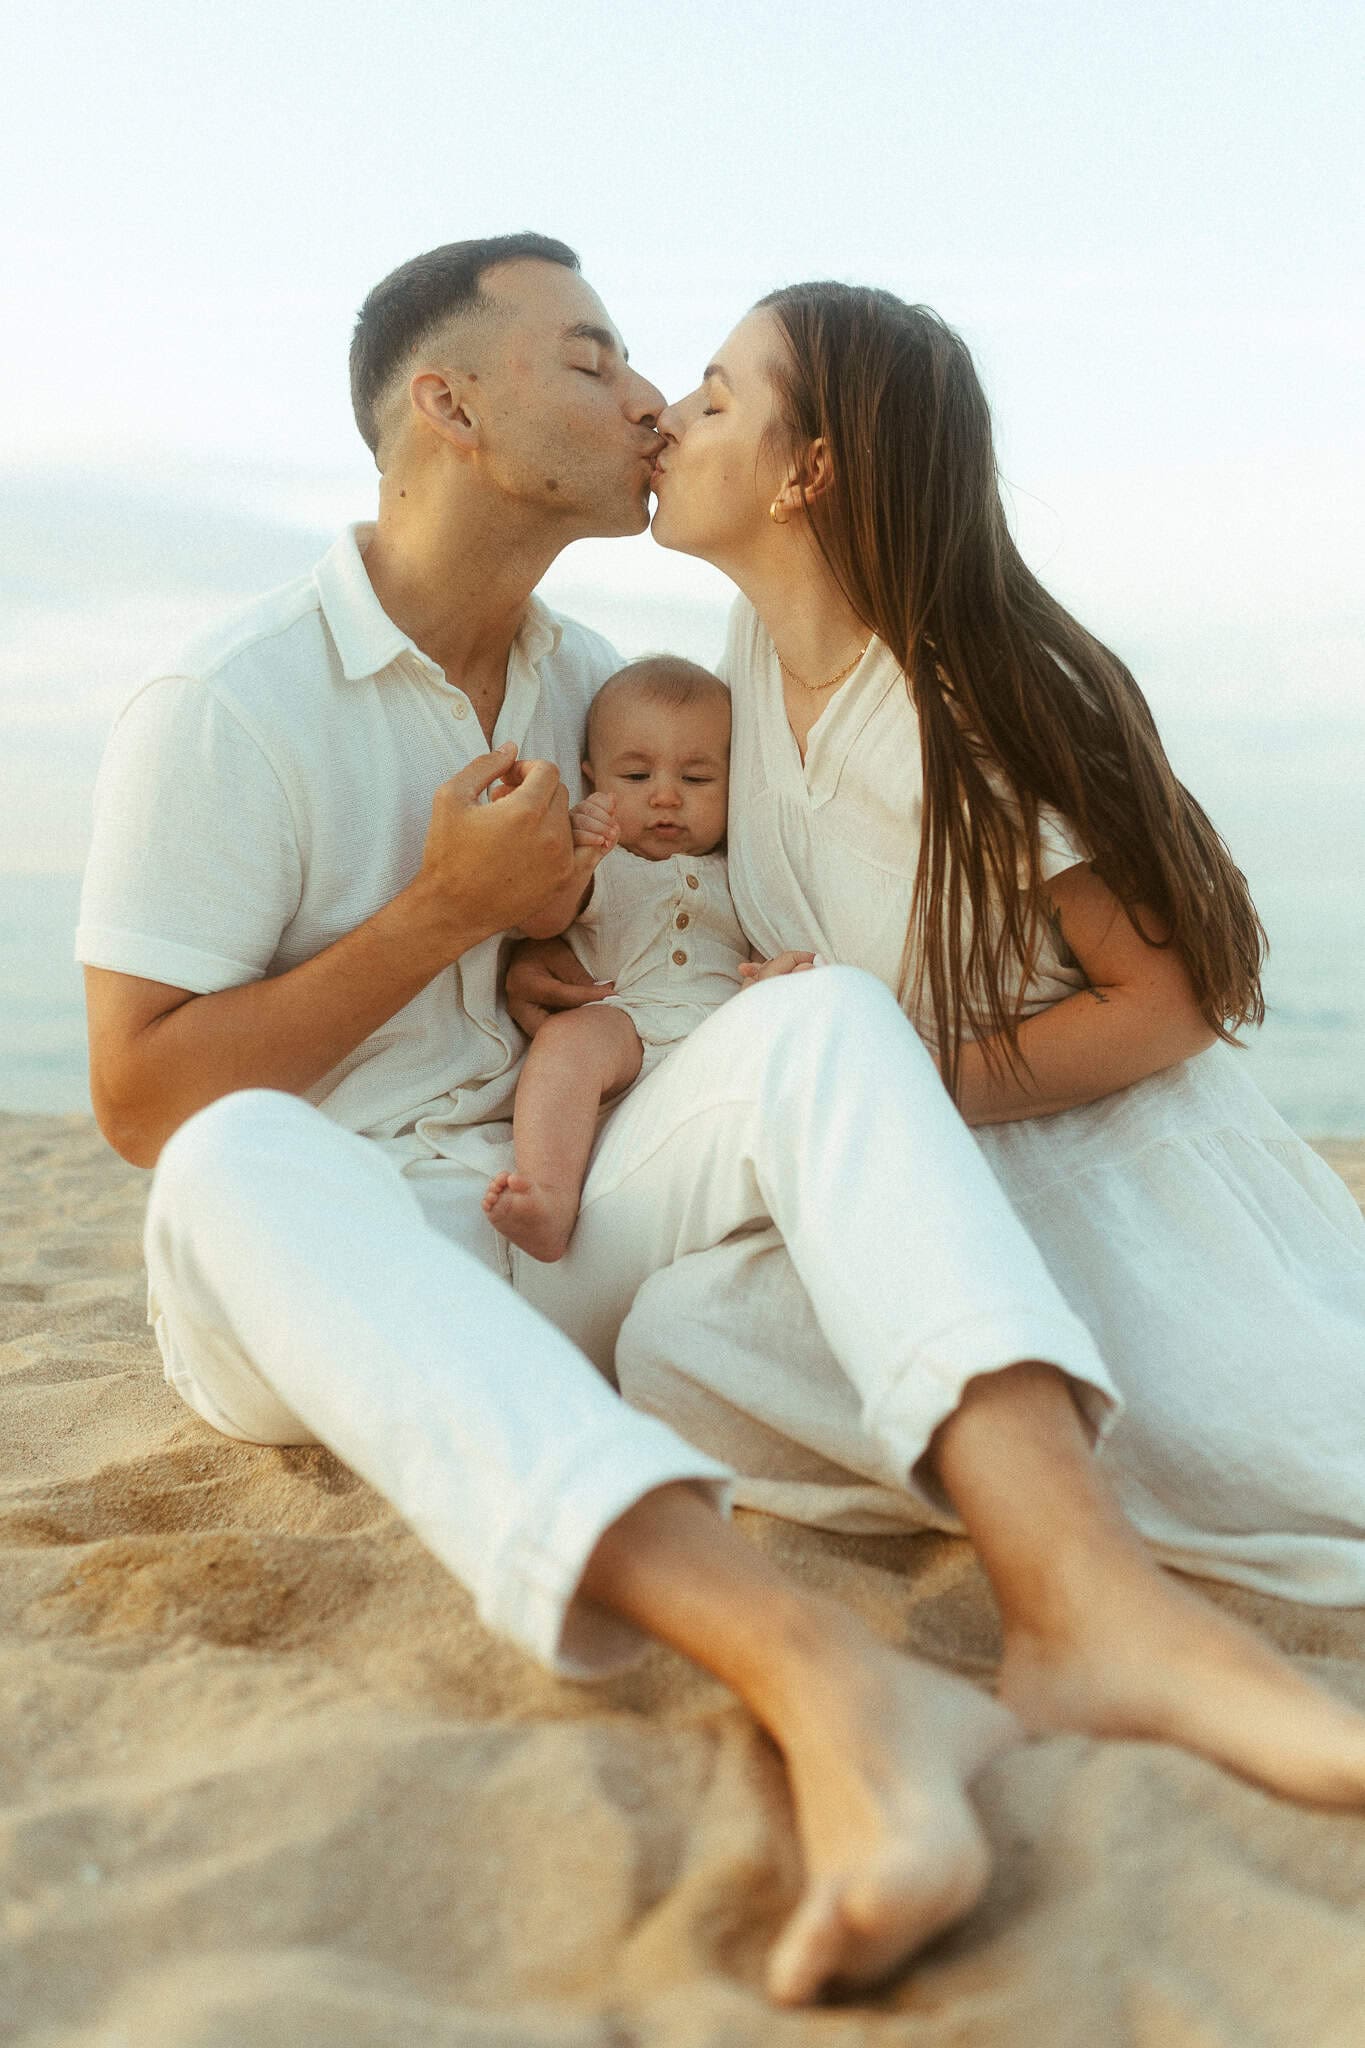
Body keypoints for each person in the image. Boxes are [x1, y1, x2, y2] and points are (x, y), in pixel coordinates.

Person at [76, 236, 1365, 2011]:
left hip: (572, 1204)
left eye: (666, 372)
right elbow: (141, 1099)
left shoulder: (606, 679)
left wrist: (568, 981)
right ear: (447, 403)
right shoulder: (228, 703)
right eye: (595, 354)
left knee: (824, 1014)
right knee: (233, 1157)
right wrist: (447, 921)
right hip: (340, 1255)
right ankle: (832, 1682)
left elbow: (706, 920)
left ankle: (1086, 1597)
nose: (644, 392)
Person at [515, 276, 1365, 1826]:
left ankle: (1092, 1574)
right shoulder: (744, 653)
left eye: (713, 394)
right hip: (905, 1165)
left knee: (1297, 1465)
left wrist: (898, 1066)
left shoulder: (965, 697)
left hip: (1089, 1158)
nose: (667, 417)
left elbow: (1168, 1002)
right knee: (677, 1349)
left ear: (806, 470)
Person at [484, 655, 747, 1261]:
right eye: (634, 777)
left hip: (720, 1037)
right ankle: (548, 1198)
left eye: (698, 780)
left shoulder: (743, 869)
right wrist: (576, 853)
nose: (665, 797)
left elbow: (768, 938)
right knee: (569, 1040)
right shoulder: (606, 861)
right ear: (593, 779)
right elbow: (539, 921)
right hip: (626, 1026)